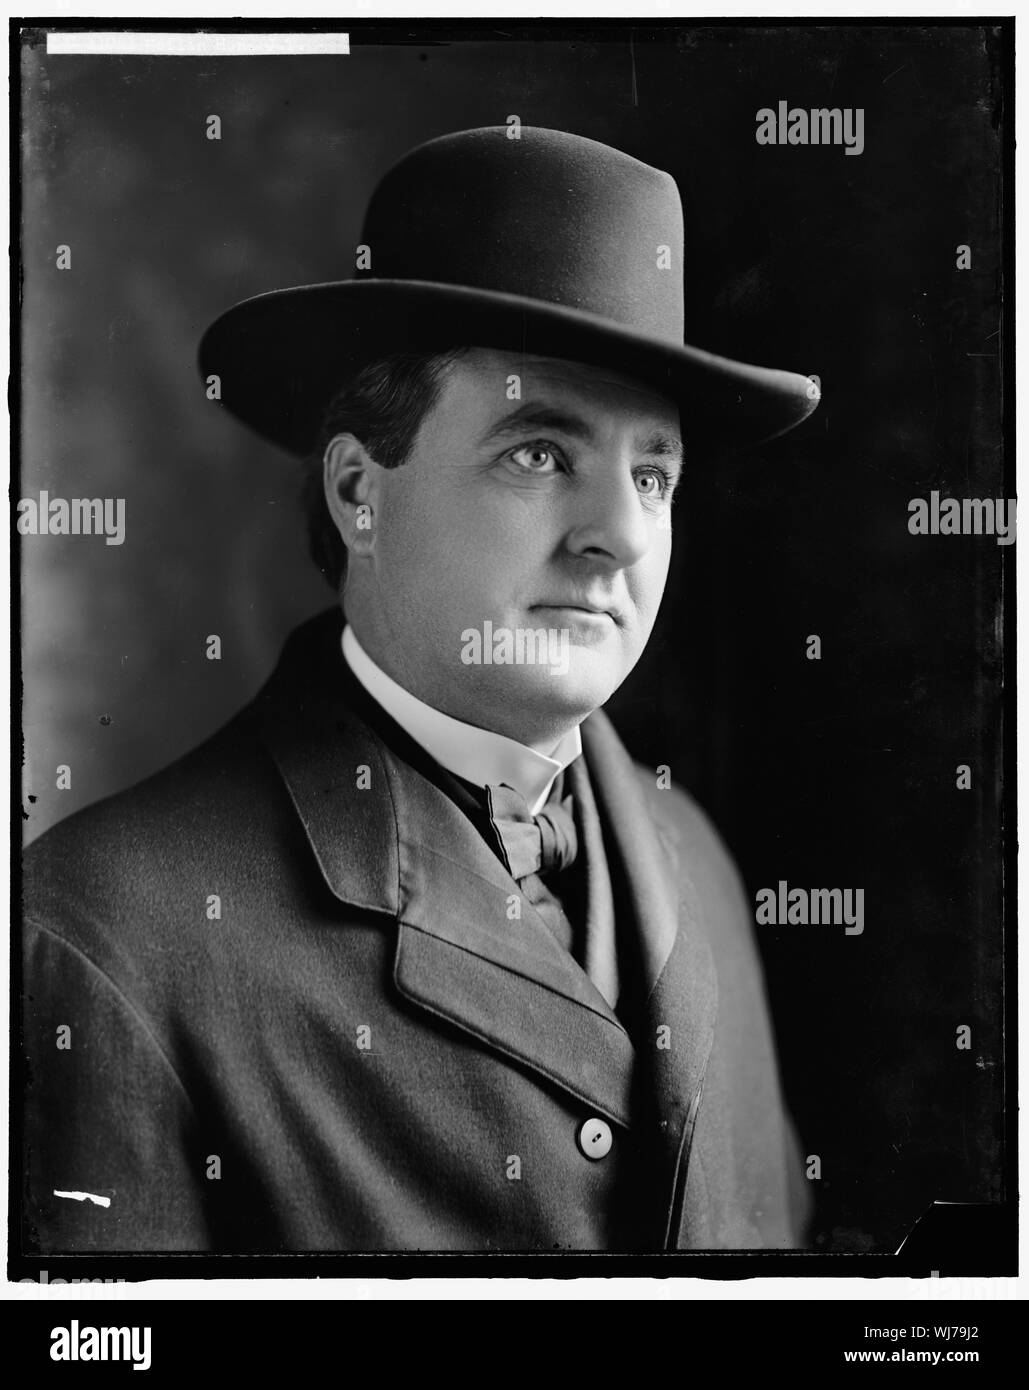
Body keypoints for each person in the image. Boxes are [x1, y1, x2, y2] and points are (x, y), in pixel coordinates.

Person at [21, 125, 819, 1254]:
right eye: (539, 453)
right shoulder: (98, 935)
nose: (622, 534)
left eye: (653, 474)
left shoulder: (698, 863)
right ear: (361, 492)